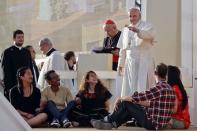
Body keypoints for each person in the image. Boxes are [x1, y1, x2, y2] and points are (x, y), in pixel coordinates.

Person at [91, 63, 176, 130]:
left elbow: (138, 97)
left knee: (126, 103)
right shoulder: (170, 89)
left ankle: (107, 119)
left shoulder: (158, 88)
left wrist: (120, 98)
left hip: (152, 123)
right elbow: (153, 104)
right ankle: (112, 124)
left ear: (155, 73)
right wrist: (135, 102)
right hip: (161, 124)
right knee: (131, 107)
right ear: (165, 75)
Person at [117, 8, 155, 96]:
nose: (132, 18)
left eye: (134, 16)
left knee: (143, 88)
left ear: (139, 16)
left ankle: (142, 107)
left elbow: (150, 35)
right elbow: (123, 49)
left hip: (143, 62)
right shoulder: (126, 29)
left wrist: (138, 31)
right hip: (129, 63)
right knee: (129, 88)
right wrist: (120, 65)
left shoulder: (147, 25)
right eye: (130, 16)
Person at [1, 29, 34, 99]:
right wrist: (9, 88)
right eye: (19, 37)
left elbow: (30, 68)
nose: (21, 39)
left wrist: (32, 84)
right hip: (13, 86)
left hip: (26, 86)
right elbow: (6, 71)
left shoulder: (26, 52)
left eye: (22, 37)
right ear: (14, 38)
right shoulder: (7, 52)